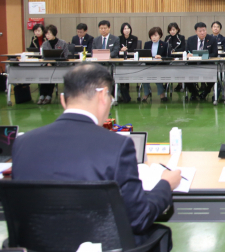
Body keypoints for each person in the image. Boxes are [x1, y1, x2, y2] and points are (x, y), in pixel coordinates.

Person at [12, 63, 180, 249]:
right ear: (103, 95)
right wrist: (166, 184)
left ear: (62, 99)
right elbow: (139, 219)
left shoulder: (22, 143)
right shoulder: (117, 145)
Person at [37, 25, 70, 105]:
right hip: (48, 65)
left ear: (54, 33)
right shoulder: (45, 44)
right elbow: (43, 57)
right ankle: (42, 95)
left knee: (52, 74)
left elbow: (66, 56)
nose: (47, 36)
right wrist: (48, 63)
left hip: (59, 66)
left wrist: (55, 63)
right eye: (46, 34)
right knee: (45, 74)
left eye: (49, 34)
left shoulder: (62, 43)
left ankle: (48, 95)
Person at [185, 22, 218, 101]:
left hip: (207, 64)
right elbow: (187, 52)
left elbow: (215, 53)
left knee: (214, 75)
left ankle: (206, 92)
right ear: (196, 32)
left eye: (204, 30)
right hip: (193, 64)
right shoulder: (190, 39)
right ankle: (194, 93)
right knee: (185, 75)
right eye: (200, 31)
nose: (202, 33)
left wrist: (204, 56)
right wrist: (188, 55)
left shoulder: (212, 39)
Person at [142, 27, 169, 103]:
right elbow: (144, 55)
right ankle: (147, 93)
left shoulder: (164, 44)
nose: (153, 37)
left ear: (160, 35)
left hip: (160, 66)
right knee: (144, 76)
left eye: (155, 35)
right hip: (148, 65)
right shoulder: (147, 44)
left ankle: (161, 93)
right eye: (152, 36)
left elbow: (168, 57)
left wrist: (161, 57)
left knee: (157, 75)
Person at [118, 22, 138, 103]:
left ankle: (125, 93)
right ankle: (123, 94)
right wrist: (121, 49)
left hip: (131, 60)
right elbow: (117, 48)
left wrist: (125, 50)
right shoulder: (118, 38)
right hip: (121, 60)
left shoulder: (134, 38)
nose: (127, 30)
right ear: (122, 30)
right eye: (125, 29)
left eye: (128, 28)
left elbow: (134, 49)